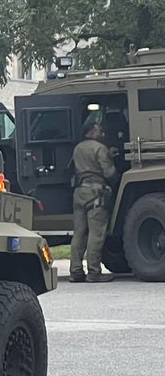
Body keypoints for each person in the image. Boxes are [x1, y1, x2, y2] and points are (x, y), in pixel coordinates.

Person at [69, 115, 118, 283]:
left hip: (79, 193)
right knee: (96, 233)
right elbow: (109, 173)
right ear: (91, 131)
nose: (101, 131)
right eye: (98, 129)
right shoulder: (100, 148)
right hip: (96, 194)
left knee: (79, 233)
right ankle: (94, 272)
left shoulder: (78, 148)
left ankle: (76, 271)